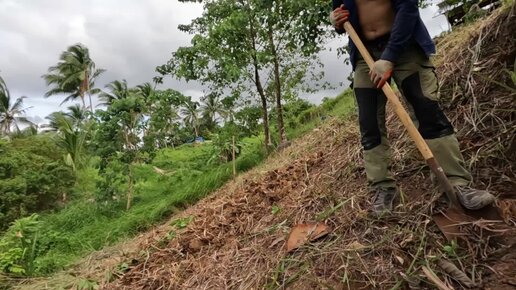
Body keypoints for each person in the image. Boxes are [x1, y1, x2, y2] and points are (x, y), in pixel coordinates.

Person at [329, 0, 495, 214]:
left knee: (427, 111)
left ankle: (456, 182)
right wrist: (336, 22)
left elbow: (408, 9)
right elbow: (343, 17)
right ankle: (382, 187)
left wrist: (389, 57)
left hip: (405, 45)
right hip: (366, 55)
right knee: (369, 124)